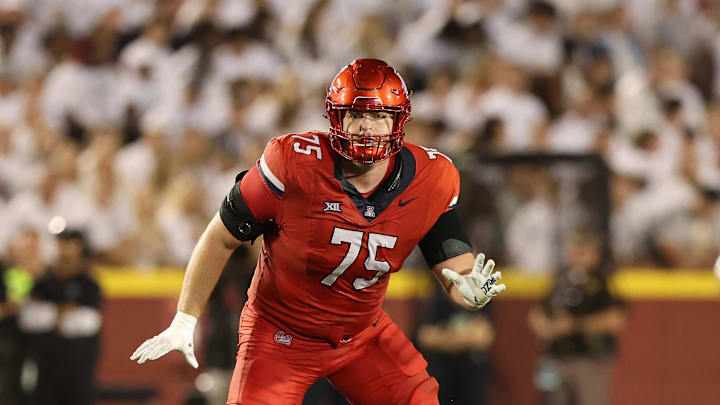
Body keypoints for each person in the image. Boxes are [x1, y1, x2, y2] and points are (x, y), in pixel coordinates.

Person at [131, 58, 506, 404]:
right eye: (355, 114)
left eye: (378, 117)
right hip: (280, 333)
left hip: (363, 334)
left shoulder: (431, 178)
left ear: (399, 121)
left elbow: (455, 267)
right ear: (335, 118)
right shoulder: (293, 162)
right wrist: (185, 317)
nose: (366, 126)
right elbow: (220, 236)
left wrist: (468, 292)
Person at [19, 229, 102, 405]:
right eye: (62, 245)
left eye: (70, 245)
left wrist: (49, 314)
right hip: (45, 367)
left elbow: (89, 322)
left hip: (78, 368)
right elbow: (29, 318)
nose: (64, 251)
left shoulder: (89, 285)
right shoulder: (43, 282)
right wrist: (61, 312)